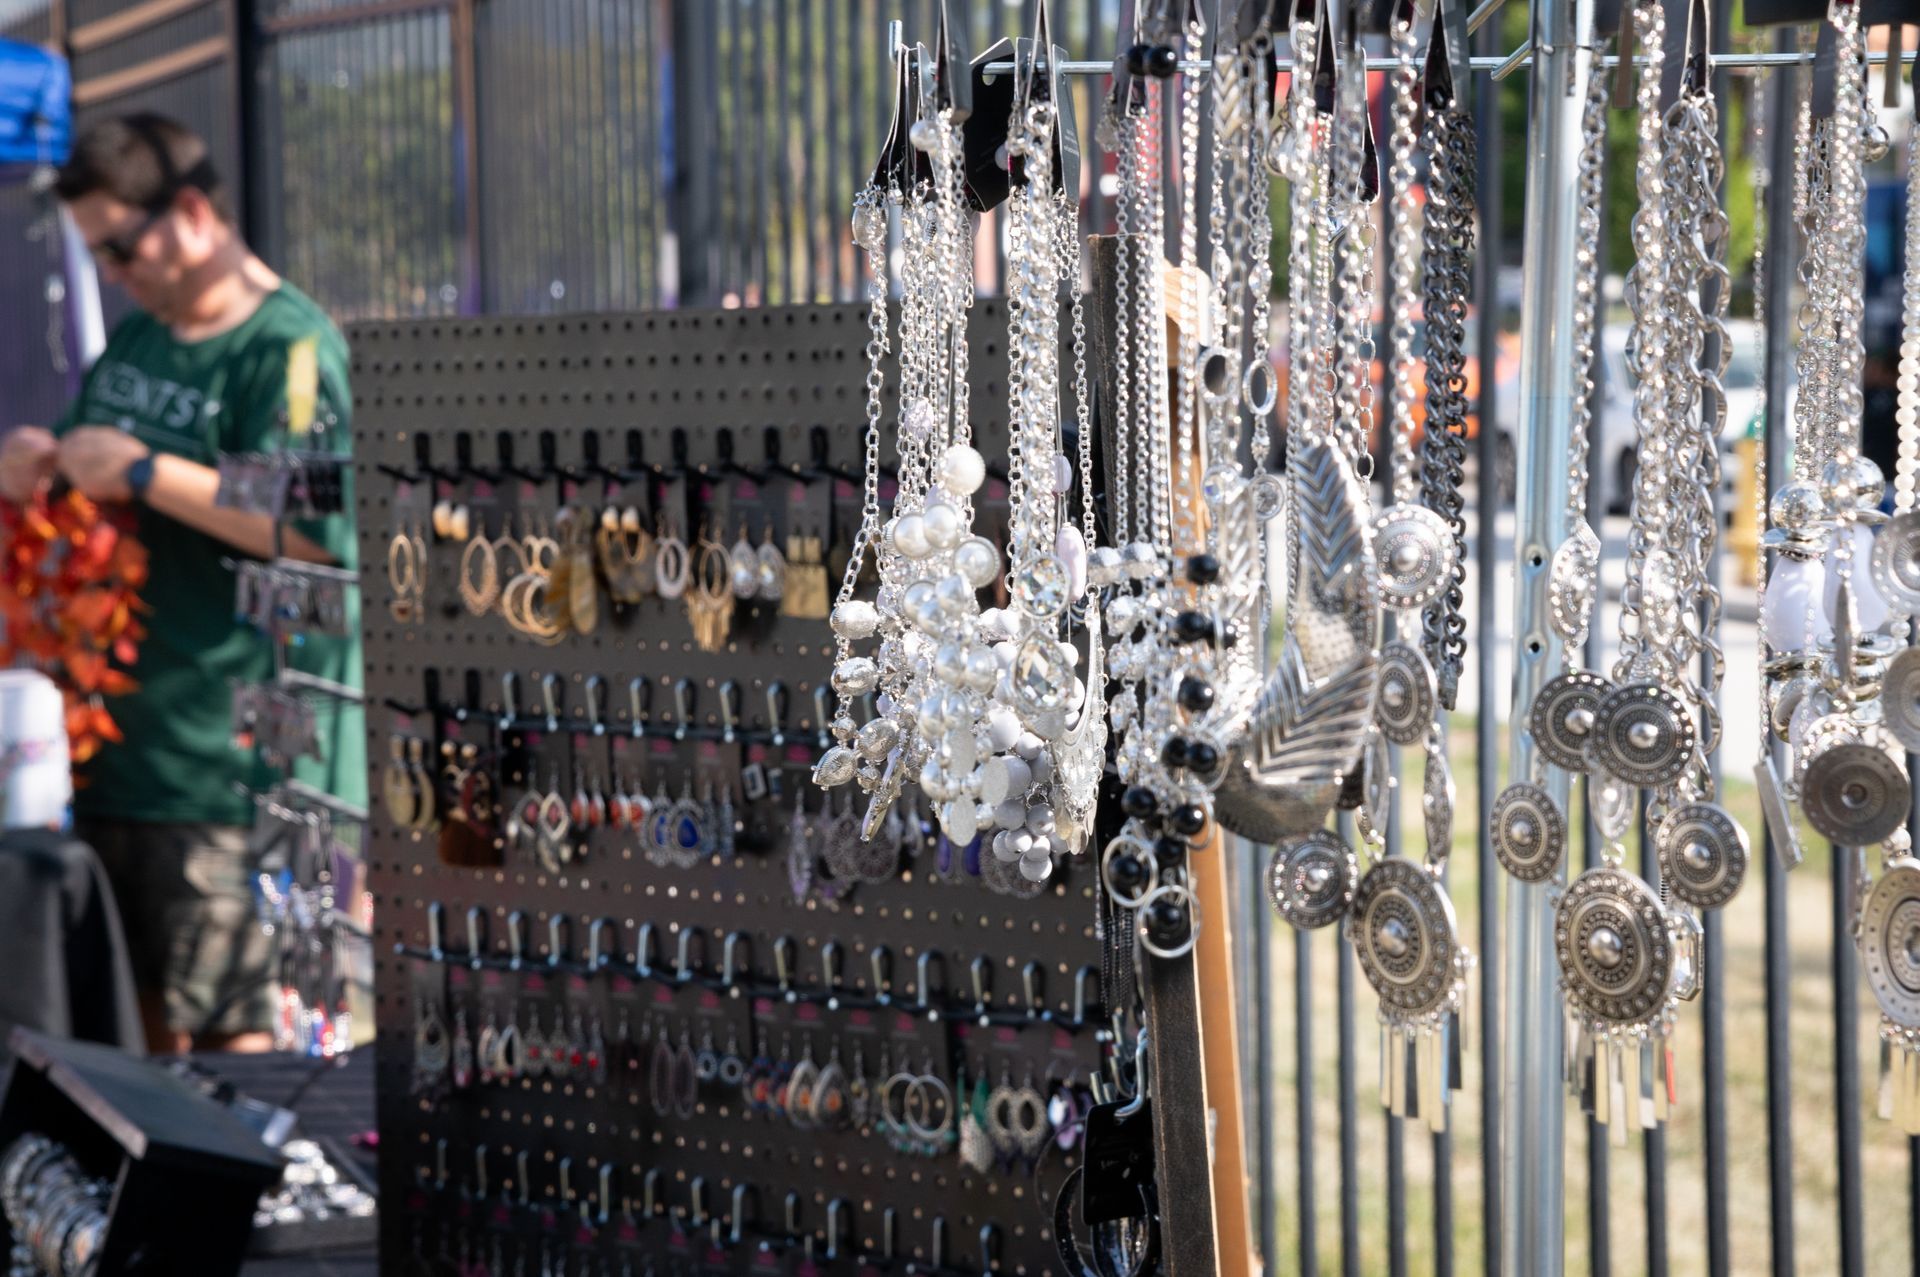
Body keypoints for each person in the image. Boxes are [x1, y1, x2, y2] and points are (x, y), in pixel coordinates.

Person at [0, 113, 364, 1055]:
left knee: (232, 1056)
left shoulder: (287, 351)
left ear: (193, 213)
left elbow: (316, 522)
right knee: (130, 1040)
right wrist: (43, 467)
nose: (114, 273)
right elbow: (100, 485)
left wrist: (148, 471)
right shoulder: (139, 343)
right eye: (96, 255)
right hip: (121, 761)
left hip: (233, 777)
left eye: (120, 245)